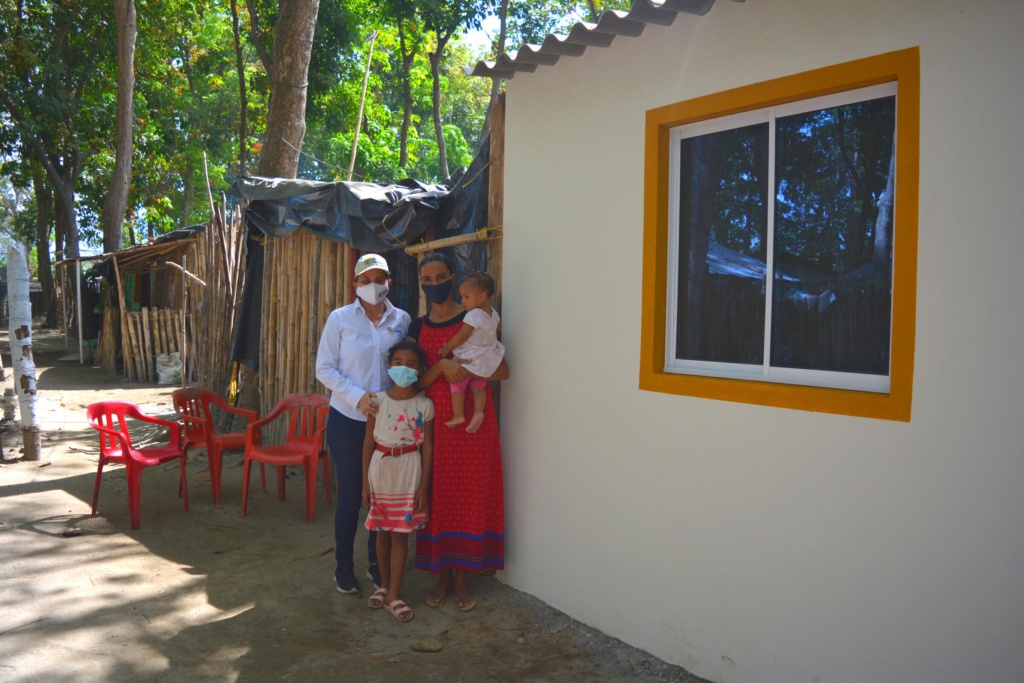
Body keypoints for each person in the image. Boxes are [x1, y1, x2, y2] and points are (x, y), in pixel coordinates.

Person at [410, 252, 510, 612]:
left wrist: (466, 371)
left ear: (453, 278)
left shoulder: (476, 321)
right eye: (427, 279)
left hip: (473, 424)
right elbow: (416, 383)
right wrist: (443, 365)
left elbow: (502, 371)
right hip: (437, 422)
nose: (434, 285)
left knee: (468, 495)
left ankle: (464, 576)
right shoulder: (416, 328)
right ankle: (442, 575)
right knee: (439, 495)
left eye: (440, 277)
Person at [315, 253, 410, 594]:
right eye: (365, 280)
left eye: (379, 278)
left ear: (389, 282)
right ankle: (343, 567)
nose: (373, 286)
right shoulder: (340, 319)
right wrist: (358, 397)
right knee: (352, 495)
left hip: (386, 422)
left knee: (382, 495)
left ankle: (376, 563)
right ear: (355, 284)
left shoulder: (402, 320)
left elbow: (403, 367)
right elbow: (324, 368)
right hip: (348, 419)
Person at [361, 340, 434, 622]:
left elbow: (427, 447)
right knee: (381, 531)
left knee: (400, 535)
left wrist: (424, 488)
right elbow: (368, 443)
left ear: (420, 370)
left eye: (412, 364)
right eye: (398, 363)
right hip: (380, 470)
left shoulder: (425, 405)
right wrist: (365, 483)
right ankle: (383, 585)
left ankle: (394, 593)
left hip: (409, 470)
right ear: (389, 366)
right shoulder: (377, 402)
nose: (404, 368)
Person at [437, 272, 505, 433]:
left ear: (482, 297)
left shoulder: (473, 315)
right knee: (478, 386)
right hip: (486, 358)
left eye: (466, 297)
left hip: (470, 357)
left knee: (457, 384)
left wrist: (447, 348)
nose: (462, 302)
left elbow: (461, 336)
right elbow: (498, 327)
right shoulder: (493, 314)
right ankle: (478, 412)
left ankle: (459, 414)